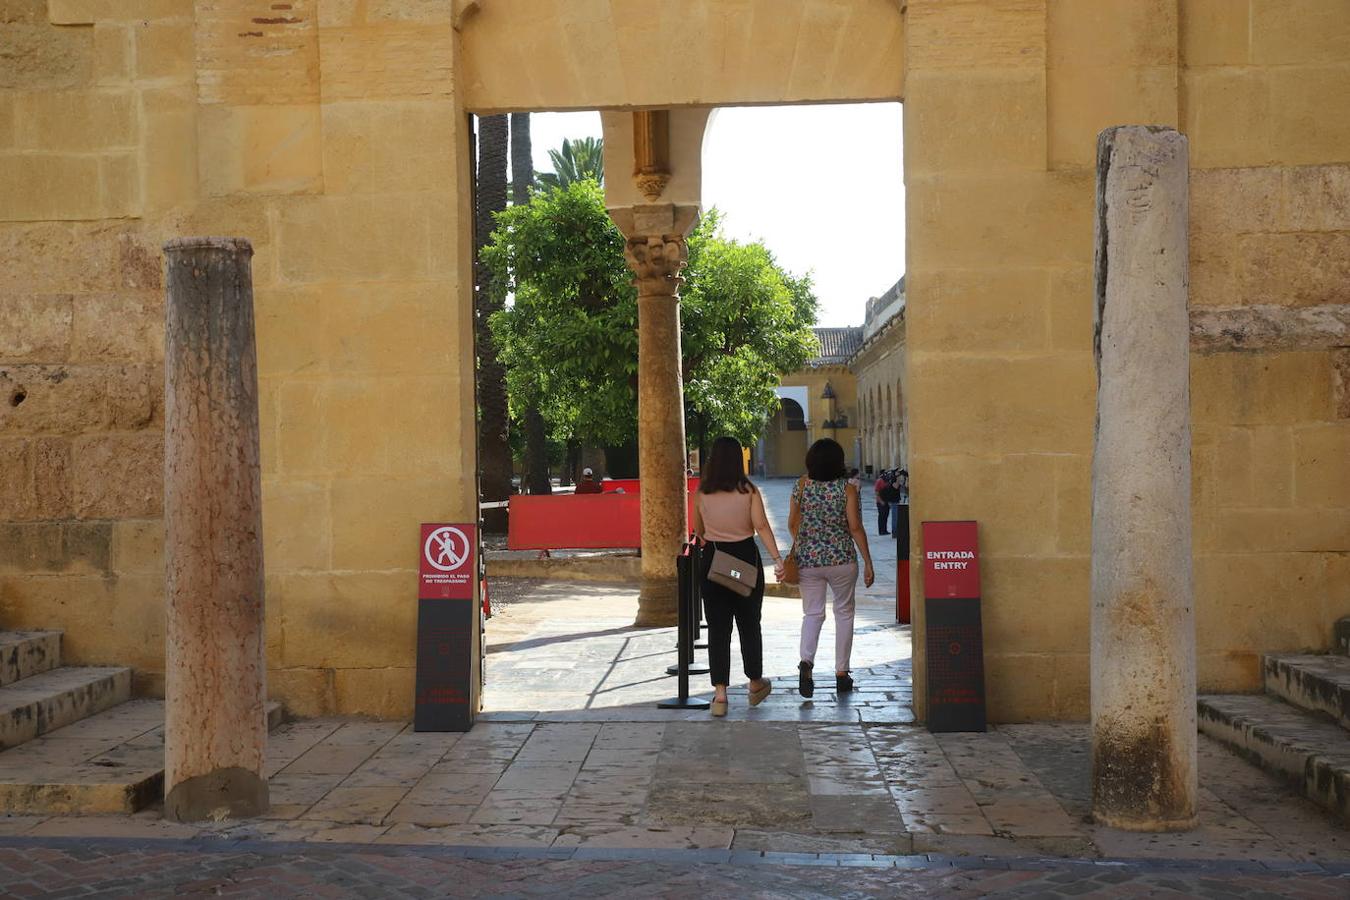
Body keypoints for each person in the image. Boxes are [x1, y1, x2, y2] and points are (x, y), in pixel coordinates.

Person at [692, 436, 784, 718]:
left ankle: (720, 695)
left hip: (714, 563)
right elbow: (762, 526)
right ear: (737, 460)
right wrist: (778, 559)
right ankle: (755, 682)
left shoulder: (702, 492)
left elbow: (700, 533)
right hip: (744, 560)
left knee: (718, 629)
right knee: (749, 623)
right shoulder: (749, 491)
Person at [789, 438, 874, 698]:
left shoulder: (801, 485)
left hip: (809, 561)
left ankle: (806, 663)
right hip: (842, 560)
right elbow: (855, 527)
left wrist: (805, 544)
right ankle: (841, 673)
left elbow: (792, 523)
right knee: (844, 613)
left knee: (812, 614)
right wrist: (868, 562)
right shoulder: (847, 490)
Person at [873, 469, 891, 535]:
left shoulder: (887, 481)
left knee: (886, 516)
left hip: (886, 501)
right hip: (881, 502)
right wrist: (881, 501)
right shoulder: (879, 481)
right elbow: (876, 492)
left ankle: (885, 530)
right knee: (881, 516)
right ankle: (881, 531)